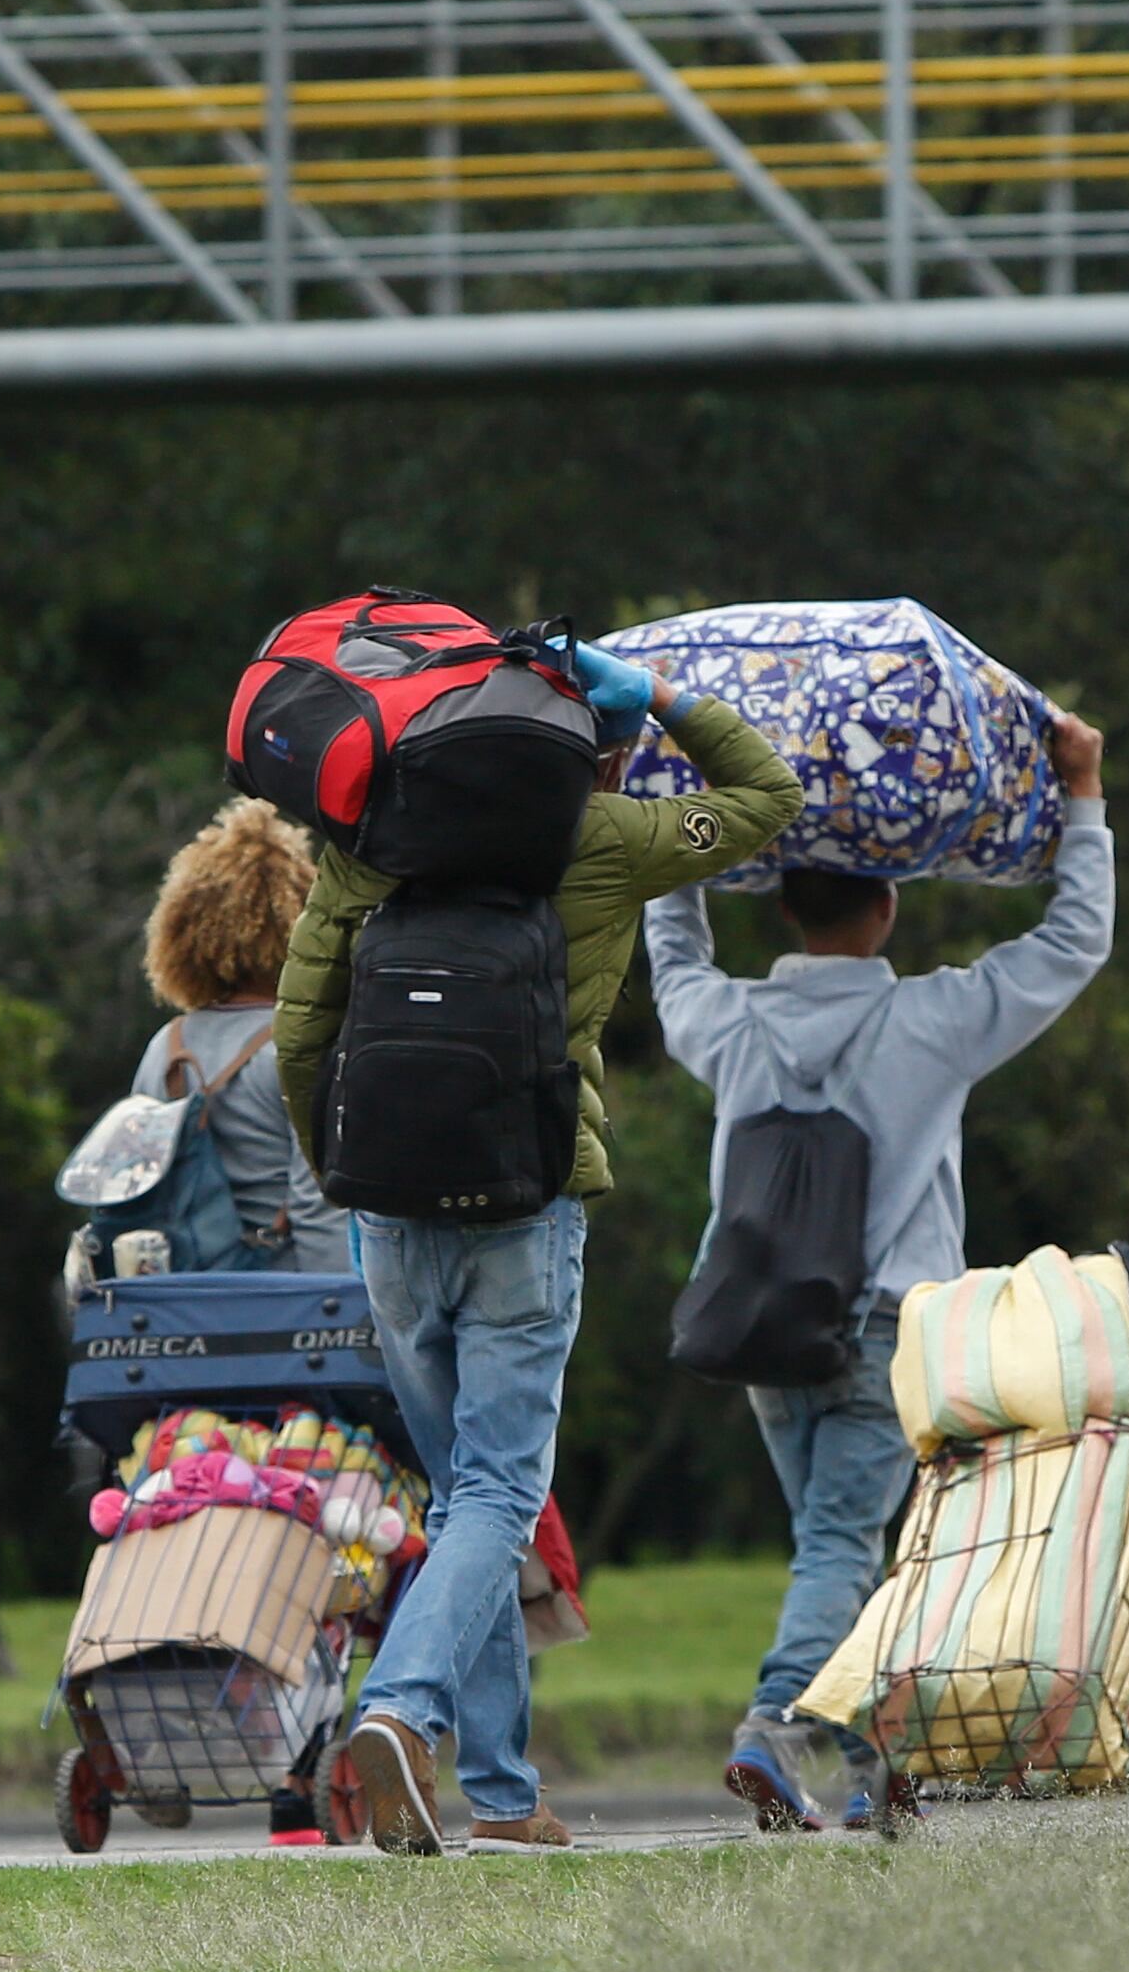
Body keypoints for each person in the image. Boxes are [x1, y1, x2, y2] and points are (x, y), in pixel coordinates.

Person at [282, 641, 800, 1855]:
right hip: (527, 1200)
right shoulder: (608, 835)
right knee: (502, 1493)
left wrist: (346, 1177)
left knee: (469, 1495)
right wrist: (666, 698)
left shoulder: (370, 847)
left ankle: (505, 1795)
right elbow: (767, 798)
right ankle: (404, 1716)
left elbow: (307, 1032)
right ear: (587, 746)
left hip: (392, 1218)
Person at [652, 711, 1117, 1834]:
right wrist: (1085, 796)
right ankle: (775, 1727)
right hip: (884, 1333)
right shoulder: (934, 1022)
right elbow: (1073, 944)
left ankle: (876, 1774)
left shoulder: (729, 1022)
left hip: (762, 1327)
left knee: (847, 1548)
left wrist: (673, 815)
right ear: (887, 904)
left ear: (788, 907)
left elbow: (670, 950)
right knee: (847, 1545)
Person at [119, 797, 332, 1273]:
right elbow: (320, 1212)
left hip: (186, 1309)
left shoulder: (165, 1049)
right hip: (287, 1309)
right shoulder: (300, 1048)